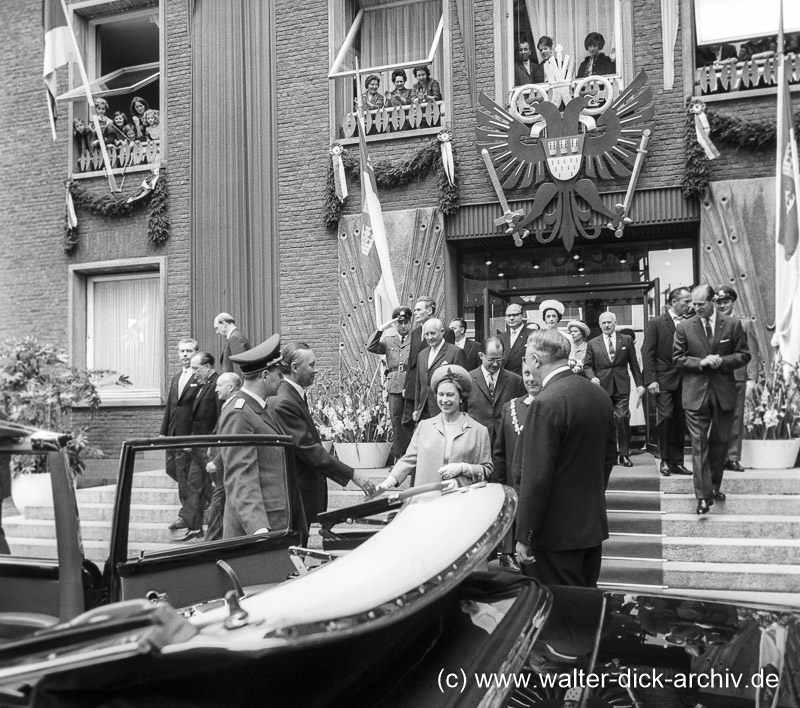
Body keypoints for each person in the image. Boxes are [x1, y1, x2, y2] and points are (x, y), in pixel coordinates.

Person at [515, 330, 616, 587]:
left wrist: (525, 535)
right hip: (590, 529)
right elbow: (608, 459)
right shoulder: (599, 395)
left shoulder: (545, 403)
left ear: (535, 360)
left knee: (557, 615)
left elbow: (536, 476)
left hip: (554, 538)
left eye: (526, 359)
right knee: (585, 610)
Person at [271, 342, 375, 526]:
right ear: (294, 367)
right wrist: (352, 475)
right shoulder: (284, 402)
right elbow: (309, 449)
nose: (315, 371)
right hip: (297, 492)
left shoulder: (291, 395)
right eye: (311, 365)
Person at [673, 285, 750, 515]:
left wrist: (722, 362)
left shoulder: (733, 325)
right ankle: (703, 497)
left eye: (699, 304)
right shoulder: (685, 327)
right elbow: (678, 359)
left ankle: (714, 487)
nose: (693, 308)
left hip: (723, 393)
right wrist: (701, 363)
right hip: (695, 394)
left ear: (712, 301)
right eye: (692, 304)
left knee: (720, 444)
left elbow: (744, 355)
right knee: (699, 445)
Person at [217, 336, 292, 538]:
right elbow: (241, 475)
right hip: (255, 529)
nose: (283, 379)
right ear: (265, 376)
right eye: (279, 374)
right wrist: (259, 531)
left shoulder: (257, 407)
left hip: (273, 521)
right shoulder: (239, 412)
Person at [378, 365, 492, 490]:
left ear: (461, 398)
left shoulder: (479, 431)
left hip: (460, 502)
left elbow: (486, 470)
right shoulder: (424, 426)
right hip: (427, 500)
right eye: (441, 394)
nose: (444, 400)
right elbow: (408, 460)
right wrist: (389, 481)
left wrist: (464, 468)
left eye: (450, 395)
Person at [493, 360, 540, 571]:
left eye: (534, 374)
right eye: (526, 374)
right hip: (515, 483)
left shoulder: (552, 405)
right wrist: (501, 486)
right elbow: (500, 452)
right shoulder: (510, 407)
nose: (530, 379)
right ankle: (509, 550)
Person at [642, 287, 693, 477]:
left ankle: (677, 462)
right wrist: (651, 380)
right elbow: (647, 353)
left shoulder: (690, 323)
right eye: (686, 301)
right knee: (666, 418)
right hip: (662, 380)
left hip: (685, 380)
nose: (689, 305)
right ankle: (664, 459)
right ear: (673, 302)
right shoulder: (656, 323)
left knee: (680, 421)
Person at [584, 312, 645, 467]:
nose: (606, 325)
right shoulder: (592, 343)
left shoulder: (626, 340)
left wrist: (639, 384)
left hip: (621, 385)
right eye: (603, 323)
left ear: (615, 323)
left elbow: (634, 364)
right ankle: (607, 453)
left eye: (609, 322)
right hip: (602, 386)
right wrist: (591, 377)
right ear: (599, 324)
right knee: (604, 420)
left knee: (622, 417)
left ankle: (624, 454)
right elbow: (587, 366)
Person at [174, 351, 220, 541]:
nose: (194, 373)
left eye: (196, 369)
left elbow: (219, 418)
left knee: (216, 489)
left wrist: (214, 451)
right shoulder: (201, 386)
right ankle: (195, 528)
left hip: (209, 448)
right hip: (198, 447)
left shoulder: (217, 384)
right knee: (194, 484)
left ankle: (218, 532)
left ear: (208, 367)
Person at [713, 286, 760, 472]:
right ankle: (717, 456)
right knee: (715, 418)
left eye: (726, 302)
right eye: (719, 302)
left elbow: (753, 353)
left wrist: (752, 378)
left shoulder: (745, 324)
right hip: (715, 377)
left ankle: (732, 457)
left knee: (735, 417)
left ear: (733, 302)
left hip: (737, 377)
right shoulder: (711, 324)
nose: (722, 305)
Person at [159, 338, 200, 531]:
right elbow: (170, 406)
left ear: (195, 353)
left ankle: (186, 515)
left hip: (187, 436)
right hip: (173, 434)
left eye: (189, 351)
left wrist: (192, 437)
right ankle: (200, 499)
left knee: (184, 475)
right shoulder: (176, 378)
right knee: (171, 469)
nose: (184, 355)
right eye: (182, 351)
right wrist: (163, 432)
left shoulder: (198, 378)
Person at [366, 306, 413, 459]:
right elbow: (370, 346)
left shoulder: (416, 339)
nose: (403, 326)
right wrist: (381, 329)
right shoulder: (388, 341)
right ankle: (399, 459)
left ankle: (411, 459)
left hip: (411, 384)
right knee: (396, 422)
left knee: (411, 422)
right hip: (394, 386)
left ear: (410, 323)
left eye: (406, 322)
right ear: (394, 324)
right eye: (400, 323)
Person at [401, 296, 455, 430]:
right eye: (414, 310)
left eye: (418, 309)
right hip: (414, 387)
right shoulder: (415, 332)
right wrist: (406, 385)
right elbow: (412, 360)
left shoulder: (446, 332)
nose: (415, 313)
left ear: (429, 310)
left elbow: (447, 359)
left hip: (432, 390)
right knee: (408, 424)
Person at [466, 337, 525, 448]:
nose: (495, 364)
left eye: (499, 359)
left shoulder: (516, 381)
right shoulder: (468, 379)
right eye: (491, 359)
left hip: (505, 443)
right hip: (475, 442)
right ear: (481, 356)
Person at [204, 371, 242, 541]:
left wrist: (216, 461)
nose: (216, 389)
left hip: (225, 466)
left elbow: (231, 438)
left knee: (217, 505)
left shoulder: (235, 406)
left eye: (219, 385)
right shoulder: (228, 404)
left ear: (231, 386)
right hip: (221, 466)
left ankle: (211, 543)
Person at [413, 318, 467, 422]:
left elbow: (462, 386)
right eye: (426, 334)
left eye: (433, 333)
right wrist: (416, 409)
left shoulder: (456, 352)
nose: (429, 337)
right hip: (424, 411)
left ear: (442, 332)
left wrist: (461, 415)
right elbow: (418, 385)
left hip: (445, 410)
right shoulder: (422, 355)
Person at [499, 303, 537, 376]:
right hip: (504, 381)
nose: (511, 318)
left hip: (524, 379)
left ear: (522, 316)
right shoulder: (499, 338)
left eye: (515, 315)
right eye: (508, 315)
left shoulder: (532, 334)